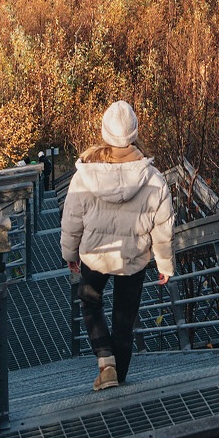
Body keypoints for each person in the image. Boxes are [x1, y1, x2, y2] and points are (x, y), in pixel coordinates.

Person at [60, 100, 175, 390]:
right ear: (135, 133)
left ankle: (105, 362)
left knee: (90, 302)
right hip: (133, 258)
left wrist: (70, 253)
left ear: (104, 132)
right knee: (125, 318)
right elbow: (163, 227)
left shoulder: (85, 174)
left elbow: (72, 219)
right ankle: (119, 378)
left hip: (95, 256)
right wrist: (164, 263)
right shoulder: (154, 179)